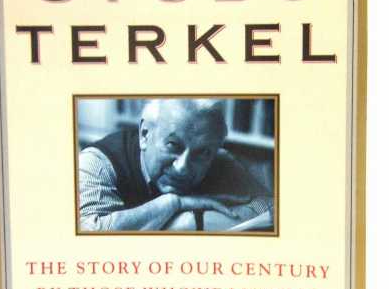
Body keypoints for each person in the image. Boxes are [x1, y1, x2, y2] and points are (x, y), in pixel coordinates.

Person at [78, 99, 273, 232]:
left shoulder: (218, 159)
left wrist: (192, 222)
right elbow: (90, 233)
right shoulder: (96, 162)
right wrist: (173, 204)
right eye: (173, 145)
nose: (183, 167)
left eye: (202, 153)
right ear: (145, 134)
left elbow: (270, 207)